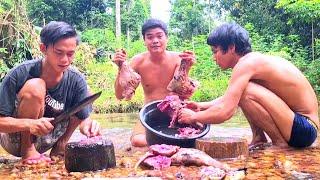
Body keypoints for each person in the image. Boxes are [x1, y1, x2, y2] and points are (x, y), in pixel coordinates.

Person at [178, 22, 319, 149]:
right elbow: (230, 97)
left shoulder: (246, 64)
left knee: (245, 91)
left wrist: (193, 117)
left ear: (232, 47)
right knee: (243, 91)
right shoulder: (251, 62)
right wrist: (201, 106)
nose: (214, 57)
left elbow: (225, 111)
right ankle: (259, 138)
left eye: (215, 51)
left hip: (305, 129)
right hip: (300, 127)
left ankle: (279, 144)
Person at [0, 21, 101, 164]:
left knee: (86, 94)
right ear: (43, 48)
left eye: (70, 54)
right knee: (36, 86)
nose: (65, 60)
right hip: (15, 139)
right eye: (59, 53)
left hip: (50, 138)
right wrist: (29, 124)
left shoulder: (75, 79)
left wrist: (89, 127)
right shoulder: (19, 73)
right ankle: (28, 150)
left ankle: (60, 146)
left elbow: (84, 118)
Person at [113, 18, 196, 147]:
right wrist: (121, 68)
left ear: (166, 38)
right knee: (137, 141)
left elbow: (184, 92)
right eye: (150, 37)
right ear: (144, 41)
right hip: (151, 112)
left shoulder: (178, 59)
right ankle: (170, 143)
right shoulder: (138, 61)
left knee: (196, 134)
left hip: (176, 110)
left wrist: (187, 67)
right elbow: (119, 95)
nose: (155, 41)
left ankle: (166, 143)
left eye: (159, 36)